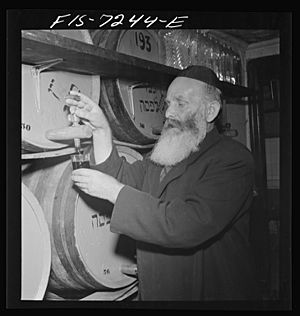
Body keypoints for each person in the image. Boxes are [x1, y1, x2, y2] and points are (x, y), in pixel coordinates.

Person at [62, 65, 260, 301]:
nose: (168, 113)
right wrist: (102, 130)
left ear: (210, 111)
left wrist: (116, 192)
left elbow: (189, 223)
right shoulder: (168, 152)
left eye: (180, 103)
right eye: (168, 104)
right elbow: (123, 177)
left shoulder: (232, 159)